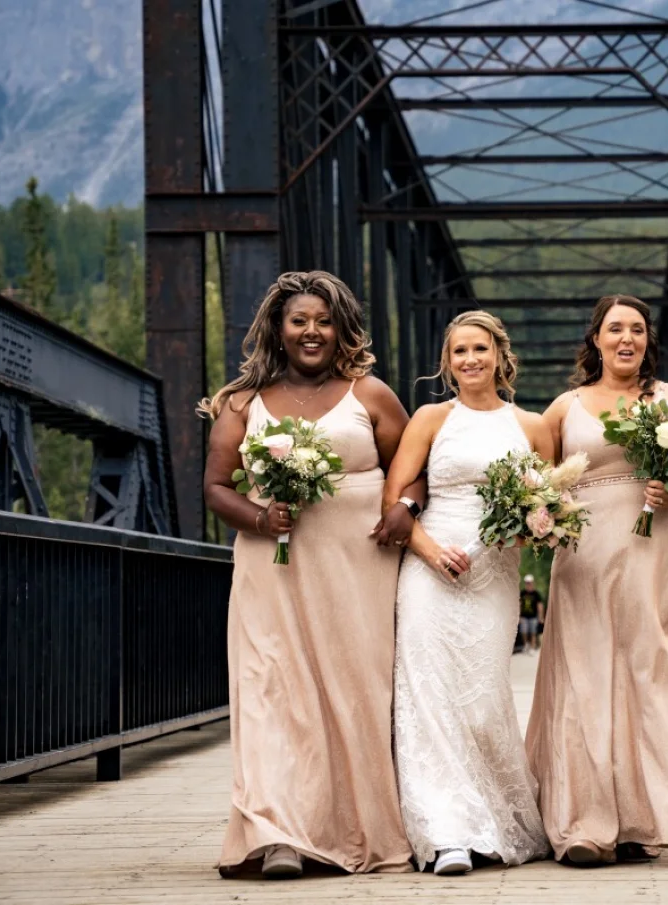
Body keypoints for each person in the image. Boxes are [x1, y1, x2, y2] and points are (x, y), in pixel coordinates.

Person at [201, 271, 423, 878]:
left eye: (323, 321)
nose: (312, 331)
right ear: (278, 327)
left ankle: (358, 827)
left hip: (357, 571)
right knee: (274, 691)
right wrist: (257, 514)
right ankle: (279, 836)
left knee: (354, 693)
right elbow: (216, 487)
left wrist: (407, 509)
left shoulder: (371, 395)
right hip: (272, 571)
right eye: (299, 320)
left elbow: (413, 471)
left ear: (340, 328)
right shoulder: (241, 404)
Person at [526, 294, 668, 866]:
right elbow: (539, 487)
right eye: (615, 329)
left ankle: (640, 820)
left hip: (667, 551)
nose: (626, 339)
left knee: (653, 675)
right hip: (587, 558)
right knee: (585, 678)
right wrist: (539, 518)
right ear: (595, 340)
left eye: (637, 329)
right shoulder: (563, 409)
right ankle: (585, 824)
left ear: (647, 340)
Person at [381, 310, 554, 876]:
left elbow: (547, 509)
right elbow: (394, 498)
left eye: (480, 349)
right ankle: (446, 834)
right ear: (447, 362)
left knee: (481, 700)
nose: (470, 359)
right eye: (459, 351)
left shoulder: (531, 428)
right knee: (428, 698)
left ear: (501, 356)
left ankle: (494, 822)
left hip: (495, 576)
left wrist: (530, 524)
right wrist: (429, 552)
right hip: (430, 570)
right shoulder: (431, 418)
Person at [518, 575, 544, 653]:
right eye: (527, 583)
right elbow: (519, 604)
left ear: (532, 583)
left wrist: (541, 617)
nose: (528, 584)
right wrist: (518, 616)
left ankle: (532, 648)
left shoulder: (536, 594)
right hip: (523, 616)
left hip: (533, 617)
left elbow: (540, 606)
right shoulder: (522, 593)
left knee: (533, 632)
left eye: (529, 583)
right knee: (523, 631)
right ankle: (526, 644)